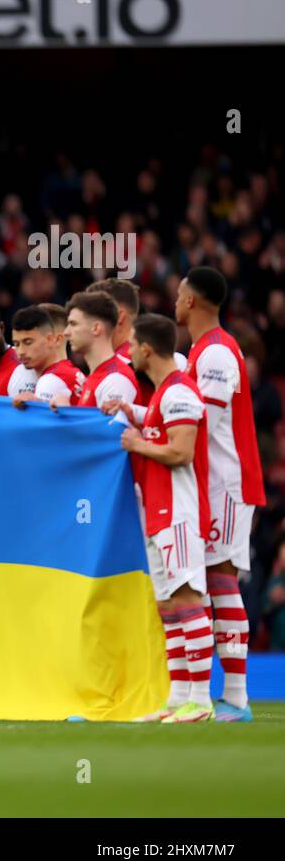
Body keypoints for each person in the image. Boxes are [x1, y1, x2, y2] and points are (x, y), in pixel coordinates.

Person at [176, 266, 266, 722]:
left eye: (179, 294)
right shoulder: (200, 351)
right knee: (213, 581)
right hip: (210, 479)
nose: (175, 301)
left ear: (192, 301)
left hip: (225, 482)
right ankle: (226, 695)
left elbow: (201, 422)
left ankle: (237, 697)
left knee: (222, 579)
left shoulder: (215, 354)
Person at [118, 314, 213, 724]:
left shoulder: (179, 392)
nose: (129, 351)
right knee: (168, 605)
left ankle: (201, 700)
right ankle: (177, 699)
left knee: (189, 599)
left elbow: (181, 452)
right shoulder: (161, 394)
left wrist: (137, 443)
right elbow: (160, 430)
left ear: (146, 349)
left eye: (133, 343)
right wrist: (130, 412)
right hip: (157, 510)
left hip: (178, 510)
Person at [62, 291, 138, 411]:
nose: (66, 332)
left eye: (73, 324)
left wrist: (65, 411)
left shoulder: (115, 379)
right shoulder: (96, 376)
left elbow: (109, 429)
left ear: (96, 328)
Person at [8, 305, 85, 407]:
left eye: (28, 342)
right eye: (16, 344)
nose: (20, 351)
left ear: (50, 339)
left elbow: (40, 422)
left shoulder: (50, 381)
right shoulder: (68, 372)